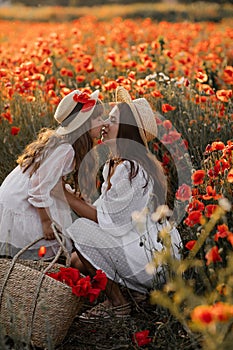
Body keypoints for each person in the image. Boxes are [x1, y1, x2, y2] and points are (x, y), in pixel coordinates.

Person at [62, 86, 182, 320]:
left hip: (150, 259)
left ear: (126, 130)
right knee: (76, 260)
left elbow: (103, 221)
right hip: (138, 248)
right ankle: (136, 293)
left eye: (112, 119)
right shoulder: (115, 165)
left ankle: (118, 304)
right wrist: (80, 200)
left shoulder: (131, 169)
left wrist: (62, 194)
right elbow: (106, 212)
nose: (105, 122)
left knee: (80, 231)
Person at [0, 89, 104, 260]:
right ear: (84, 124)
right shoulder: (65, 149)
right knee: (49, 240)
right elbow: (37, 186)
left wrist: (70, 193)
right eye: (98, 118)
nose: (103, 122)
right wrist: (46, 222)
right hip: (22, 199)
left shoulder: (61, 143)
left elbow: (50, 178)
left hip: (16, 192)